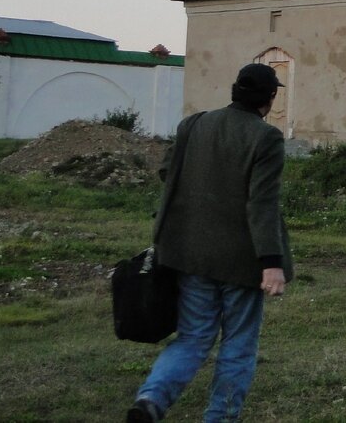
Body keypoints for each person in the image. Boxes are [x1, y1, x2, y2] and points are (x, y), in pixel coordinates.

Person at [126, 63, 294, 423]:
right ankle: (220, 418)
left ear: (234, 90)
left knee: (192, 338)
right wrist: (271, 262)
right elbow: (262, 202)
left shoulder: (194, 124)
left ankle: (151, 399)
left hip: (189, 254)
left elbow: (167, 173)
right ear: (271, 98)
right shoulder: (266, 138)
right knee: (237, 346)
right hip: (241, 262)